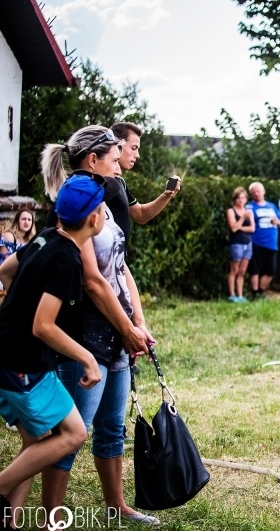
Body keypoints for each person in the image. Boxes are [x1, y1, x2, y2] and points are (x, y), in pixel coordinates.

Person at [39, 125, 160, 525]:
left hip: (117, 330)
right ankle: (51, 517)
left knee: (111, 428)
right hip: (85, 333)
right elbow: (92, 280)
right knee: (72, 433)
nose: (121, 162)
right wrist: (127, 328)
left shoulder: (104, 202)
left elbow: (120, 267)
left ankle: (116, 507)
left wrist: (137, 321)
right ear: (93, 161)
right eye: (114, 156)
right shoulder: (75, 206)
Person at [0, 176, 104, 529]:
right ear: (93, 218)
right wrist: (88, 359)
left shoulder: (46, 237)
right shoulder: (68, 261)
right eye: (103, 209)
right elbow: (43, 327)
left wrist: (20, 306)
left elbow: (5, 271)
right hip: (23, 363)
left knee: (37, 440)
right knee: (74, 433)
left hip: (7, 351)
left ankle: (9, 520)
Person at [108, 122, 181, 247]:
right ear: (117, 146)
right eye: (134, 148)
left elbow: (140, 215)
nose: (137, 155)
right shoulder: (98, 182)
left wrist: (167, 195)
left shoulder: (120, 183)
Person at [246, 182, 280, 298]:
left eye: (258, 191)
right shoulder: (249, 207)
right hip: (256, 241)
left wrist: (278, 222)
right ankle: (255, 292)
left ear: (264, 192)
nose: (256, 194)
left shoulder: (272, 206)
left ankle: (261, 290)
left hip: (271, 243)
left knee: (270, 270)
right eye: (254, 192)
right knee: (255, 269)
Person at [226, 187, 255, 302]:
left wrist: (240, 227)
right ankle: (232, 295)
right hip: (236, 243)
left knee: (242, 271)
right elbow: (233, 228)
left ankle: (240, 295)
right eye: (238, 198)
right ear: (235, 199)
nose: (241, 200)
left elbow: (252, 228)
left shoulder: (249, 212)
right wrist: (242, 218)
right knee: (234, 270)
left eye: (243, 198)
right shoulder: (231, 211)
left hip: (248, 243)